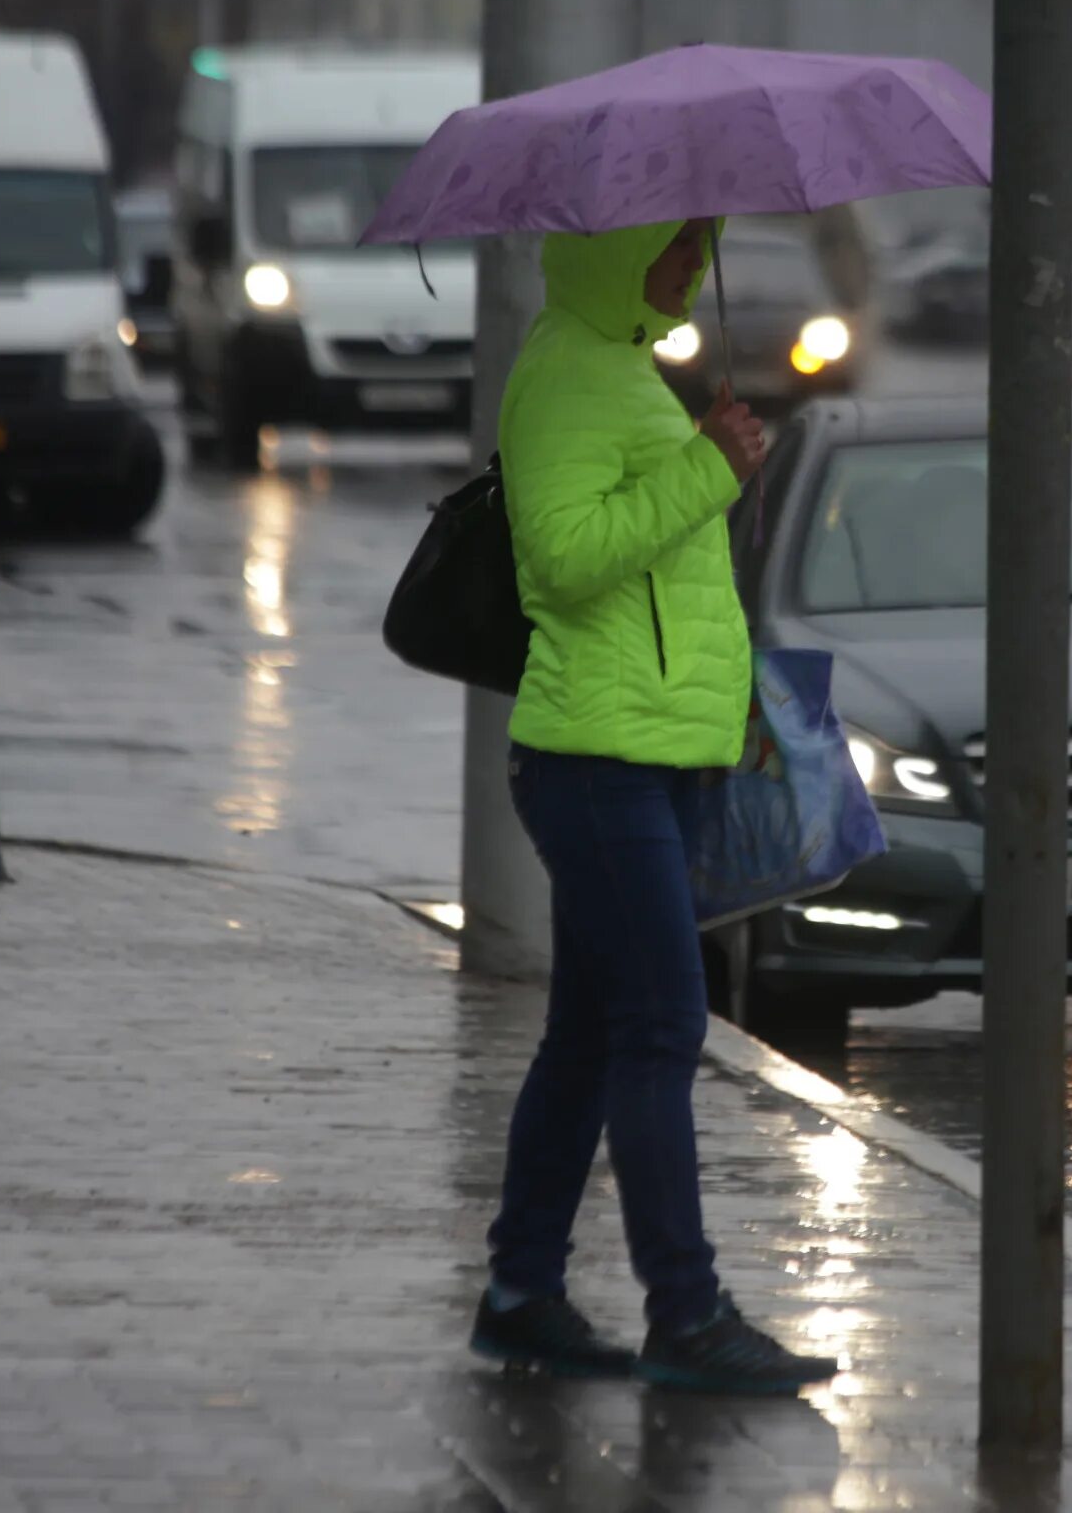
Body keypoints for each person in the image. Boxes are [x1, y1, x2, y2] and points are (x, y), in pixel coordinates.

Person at [468, 216, 841, 1397]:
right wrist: (706, 469)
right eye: (675, 245)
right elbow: (566, 556)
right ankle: (686, 1310)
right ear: (614, 247)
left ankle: (521, 1295)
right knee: (662, 1027)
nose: (691, 265)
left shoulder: (622, 361)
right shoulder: (570, 370)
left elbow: (662, 579)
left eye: (700, 245)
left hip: (642, 755)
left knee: (590, 1035)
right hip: (596, 763)